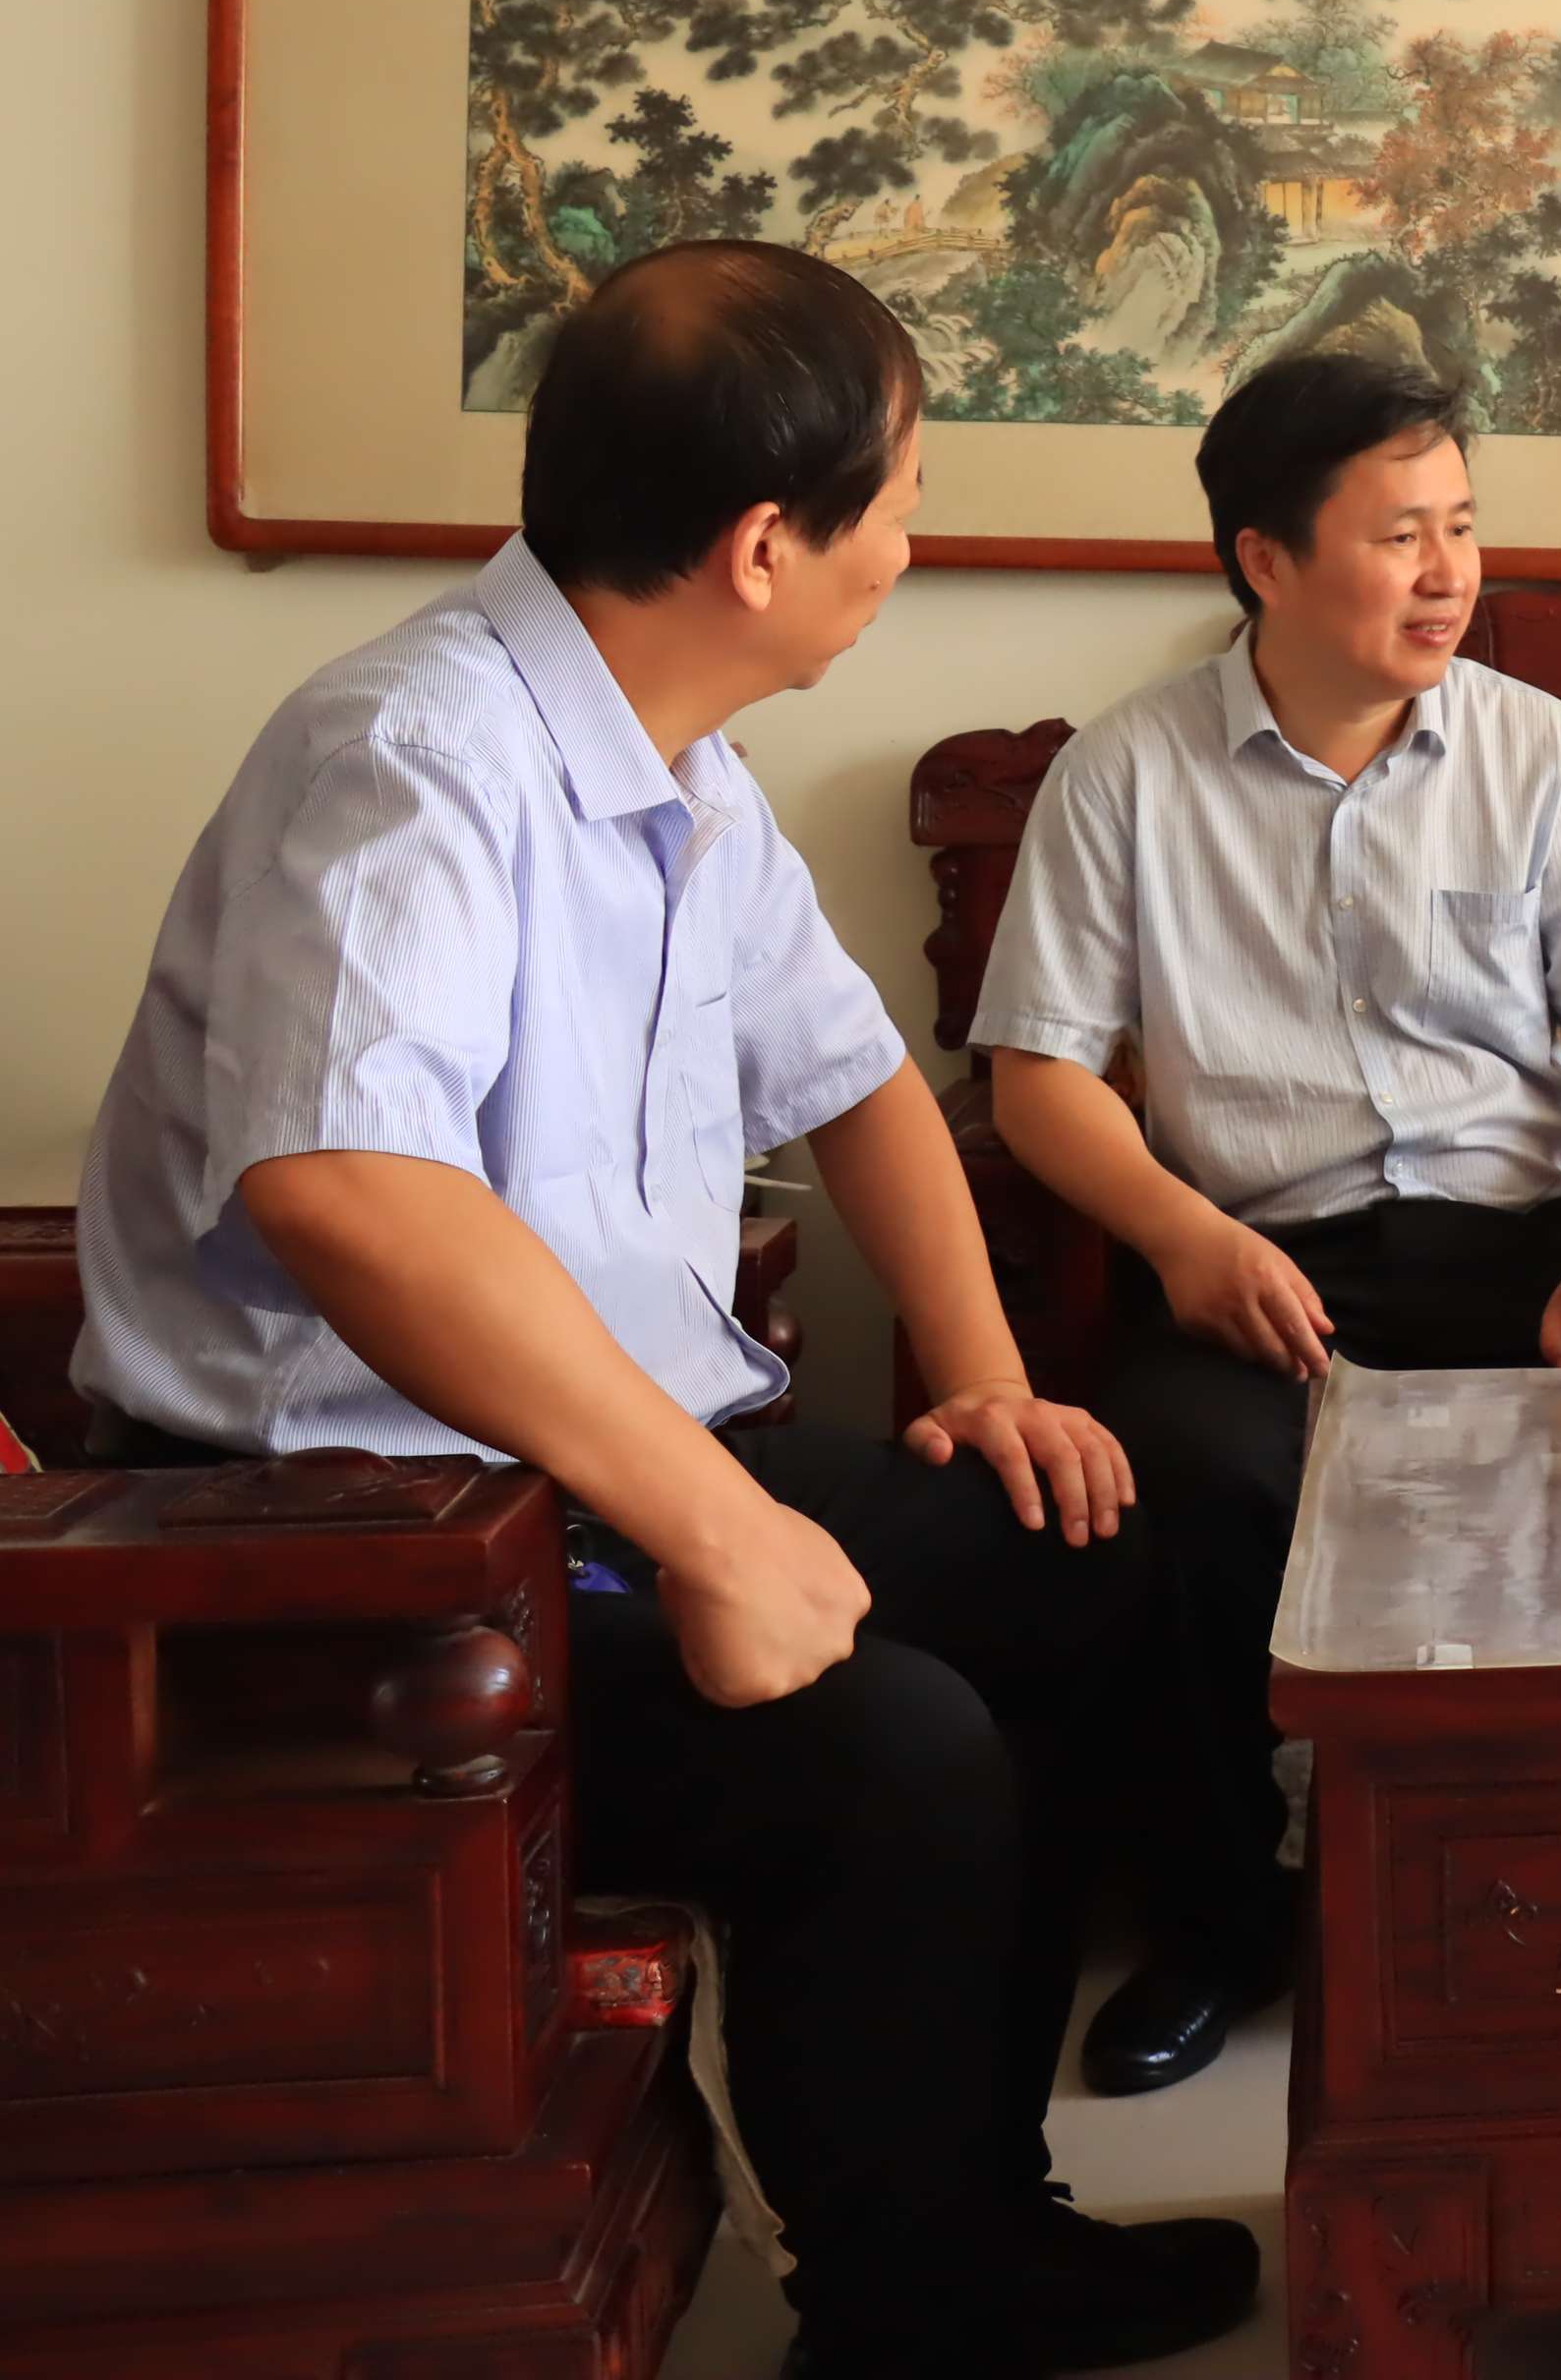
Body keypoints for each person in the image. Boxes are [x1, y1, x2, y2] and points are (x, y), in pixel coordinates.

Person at [70, 243, 1254, 2380]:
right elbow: (346, 1185)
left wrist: (992, 1384)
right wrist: (714, 1533)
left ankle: (978, 2217)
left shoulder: (684, 772)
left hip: (604, 1473)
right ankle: (898, 2307)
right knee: (892, 1751)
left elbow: (864, 1084)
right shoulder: (412, 754)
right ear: (764, 545)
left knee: (1077, 1547)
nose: (912, 551)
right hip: (346, 1536)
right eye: (901, 505)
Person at [970, 349, 1561, 2095]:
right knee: (1176, 1488)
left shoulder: (1535, 750)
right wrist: (1181, 1237)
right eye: (1399, 536)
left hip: (1518, 1261)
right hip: (1259, 1277)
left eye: (1463, 528)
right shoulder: (1126, 774)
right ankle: (1223, 1924)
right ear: (1265, 560)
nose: (1449, 575)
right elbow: (1037, 1077)